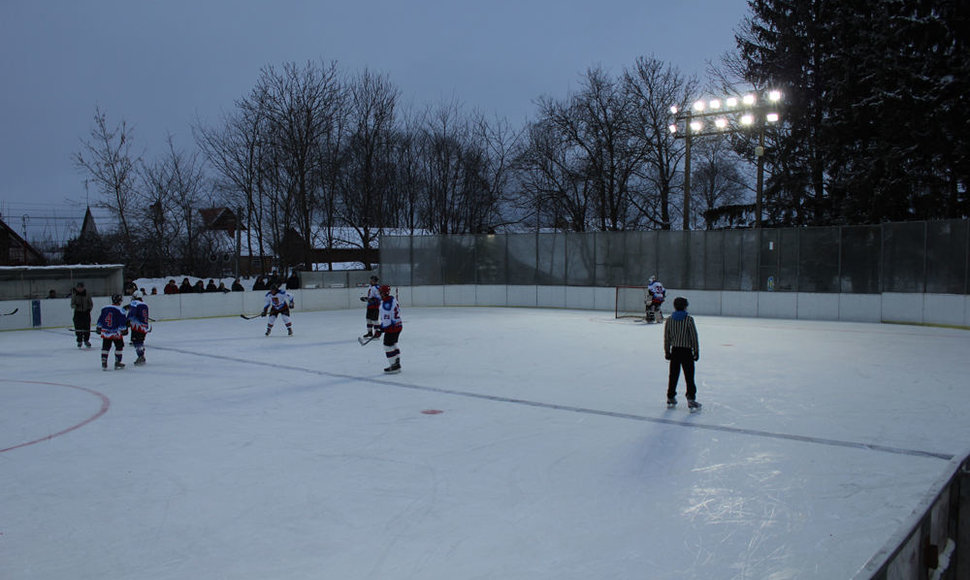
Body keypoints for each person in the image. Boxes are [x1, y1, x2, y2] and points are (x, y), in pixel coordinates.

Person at [663, 296, 700, 411]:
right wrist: (696, 351)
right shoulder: (689, 320)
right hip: (686, 351)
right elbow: (694, 336)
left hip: (675, 351)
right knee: (689, 375)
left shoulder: (669, 320)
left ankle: (670, 396)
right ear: (685, 306)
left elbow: (667, 337)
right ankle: (691, 398)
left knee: (673, 375)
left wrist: (667, 351)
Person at [373, 284, 402, 374]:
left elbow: (387, 322)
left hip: (392, 328)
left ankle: (394, 365)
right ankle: (397, 362)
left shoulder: (385, 305)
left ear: (383, 293)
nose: (379, 293)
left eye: (380, 292)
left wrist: (379, 330)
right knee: (393, 344)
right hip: (398, 325)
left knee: (387, 345)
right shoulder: (392, 299)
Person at [96, 294, 128, 370]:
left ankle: (104, 361)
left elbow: (100, 319)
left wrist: (99, 327)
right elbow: (122, 322)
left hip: (106, 332)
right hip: (116, 333)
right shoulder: (121, 310)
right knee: (119, 346)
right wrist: (124, 330)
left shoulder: (105, 308)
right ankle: (117, 362)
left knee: (106, 346)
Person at [126, 291, 150, 366]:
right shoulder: (145, 304)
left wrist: (127, 321)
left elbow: (132, 314)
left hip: (137, 327)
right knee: (140, 341)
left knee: (136, 342)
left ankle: (141, 356)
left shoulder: (135, 303)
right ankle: (141, 354)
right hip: (144, 327)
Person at [70, 282, 94, 349]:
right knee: (78, 327)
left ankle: (86, 340)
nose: (80, 289)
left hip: (86, 313)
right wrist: (75, 306)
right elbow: (72, 305)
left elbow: (91, 304)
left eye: (81, 287)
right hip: (78, 313)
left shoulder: (87, 294)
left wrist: (89, 309)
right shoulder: (74, 295)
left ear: (83, 288)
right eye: (78, 287)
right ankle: (79, 340)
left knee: (86, 327)